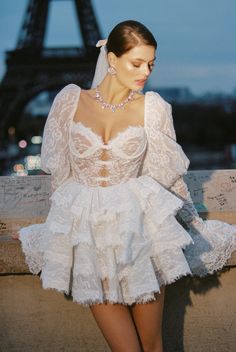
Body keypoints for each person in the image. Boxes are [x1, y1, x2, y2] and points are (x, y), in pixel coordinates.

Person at [13, 20, 236, 352]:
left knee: (153, 345)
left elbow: (168, 176)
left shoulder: (153, 109)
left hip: (142, 232)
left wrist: (194, 224)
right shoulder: (69, 101)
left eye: (151, 63)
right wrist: (60, 231)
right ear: (112, 59)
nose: (145, 71)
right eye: (137, 62)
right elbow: (60, 176)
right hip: (88, 239)